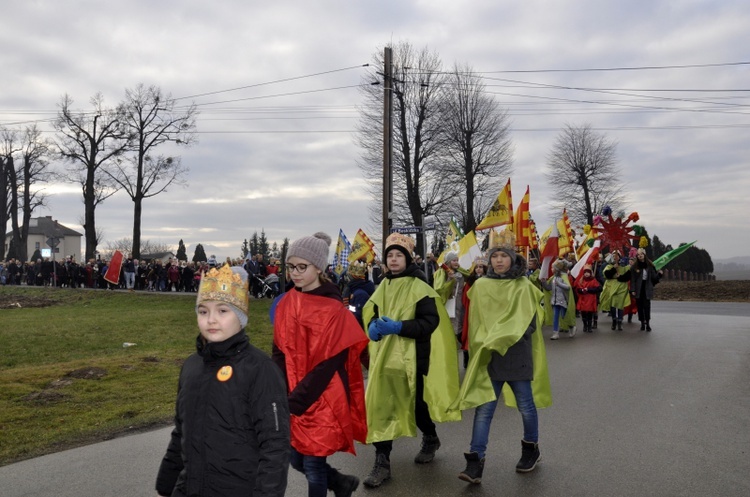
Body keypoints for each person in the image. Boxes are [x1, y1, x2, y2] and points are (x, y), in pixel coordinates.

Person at [155, 264, 291, 497]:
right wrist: (167, 479)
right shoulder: (192, 366)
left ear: (240, 317)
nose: (211, 320)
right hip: (190, 487)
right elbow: (182, 429)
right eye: (203, 311)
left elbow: (275, 446)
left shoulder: (260, 370)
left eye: (223, 311)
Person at [271, 232, 368, 497]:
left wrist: (298, 400)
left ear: (319, 268)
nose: (295, 273)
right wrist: (277, 388)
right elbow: (279, 350)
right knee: (296, 459)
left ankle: (335, 484)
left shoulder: (334, 309)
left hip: (321, 396)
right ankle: (341, 483)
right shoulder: (286, 303)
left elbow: (328, 365)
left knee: (313, 465)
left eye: (302, 267)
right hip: (292, 393)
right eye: (291, 267)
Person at [451, 229, 551, 485]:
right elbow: (476, 322)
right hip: (490, 357)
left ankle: (531, 449)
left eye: (503, 256)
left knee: (526, 407)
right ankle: (475, 462)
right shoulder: (482, 287)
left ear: (512, 258)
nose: (498, 260)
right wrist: (481, 345)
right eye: (494, 256)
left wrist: (505, 335)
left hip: (517, 354)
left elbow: (531, 322)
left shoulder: (524, 287)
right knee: (484, 410)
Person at [361, 233, 461, 488]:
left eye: (398, 255)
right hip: (384, 358)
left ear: (407, 259)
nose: (394, 260)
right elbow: (370, 313)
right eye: (390, 256)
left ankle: (430, 437)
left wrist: (399, 327)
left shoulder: (421, 287)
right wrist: (372, 327)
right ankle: (382, 462)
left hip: (413, 357)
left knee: (415, 405)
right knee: (380, 405)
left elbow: (430, 322)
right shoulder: (382, 285)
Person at [459, 257, 488, 368]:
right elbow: (465, 297)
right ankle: (467, 359)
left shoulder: (489, 280)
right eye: (477, 267)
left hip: (484, 311)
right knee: (469, 333)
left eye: (481, 267)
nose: (478, 269)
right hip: (471, 310)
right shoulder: (470, 281)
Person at [541, 259, 577, 340]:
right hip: (555, 301)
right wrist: (543, 282)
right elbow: (548, 288)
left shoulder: (564, 277)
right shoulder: (553, 278)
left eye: (552, 268)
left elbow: (568, 287)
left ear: (557, 269)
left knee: (564, 316)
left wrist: (559, 284)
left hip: (563, 301)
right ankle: (555, 333)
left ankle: (572, 327)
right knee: (555, 317)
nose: (551, 269)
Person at [630, 248, 663, 331]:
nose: (640, 256)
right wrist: (633, 290)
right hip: (638, 288)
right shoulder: (635, 266)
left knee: (647, 306)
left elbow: (653, 278)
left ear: (644, 255)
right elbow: (633, 279)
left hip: (647, 288)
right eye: (638, 254)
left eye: (641, 254)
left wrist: (659, 274)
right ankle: (642, 323)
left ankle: (647, 323)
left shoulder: (650, 265)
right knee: (640, 307)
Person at [600, 250, 632, 331]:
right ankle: (614, 320)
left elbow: (628, 276)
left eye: (617, 255)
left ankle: (620, 322)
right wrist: (614, 268)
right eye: (614, 255)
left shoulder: (624, 266)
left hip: (622, 287)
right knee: (613, 305)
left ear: (620, 257)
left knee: (620, 305)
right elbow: (607, 275)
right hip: (612, 287)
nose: (615, 257)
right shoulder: (609, 266)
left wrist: (620, 277)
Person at [574, 265, 602, 333]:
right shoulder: (581, 280)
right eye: (585, 272)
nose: (586, 274)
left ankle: (589, 326)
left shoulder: (593, 280)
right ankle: (585, 325)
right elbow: (577, 289)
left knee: (590, 314)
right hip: (583, 299)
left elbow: (598, 288)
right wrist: (582, 290)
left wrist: (589, 289)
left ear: (590, 273)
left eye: (588, 272)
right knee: (583, 314)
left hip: (590, 299)